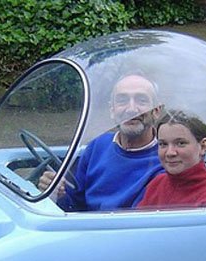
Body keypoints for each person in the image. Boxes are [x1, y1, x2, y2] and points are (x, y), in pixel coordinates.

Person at [38, 72, 163, 211]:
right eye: (122, 100)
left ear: (156, 111)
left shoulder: (166, 159)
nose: (131, 109)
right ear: (112, 110)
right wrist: (55, 192)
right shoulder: (97, 146)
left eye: (141, 100)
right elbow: (74, 204)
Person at [138, 110, 206, 209]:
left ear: (203, 146)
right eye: (163, 144)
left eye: (181, 143)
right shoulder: (156, 185)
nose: (170, 153)